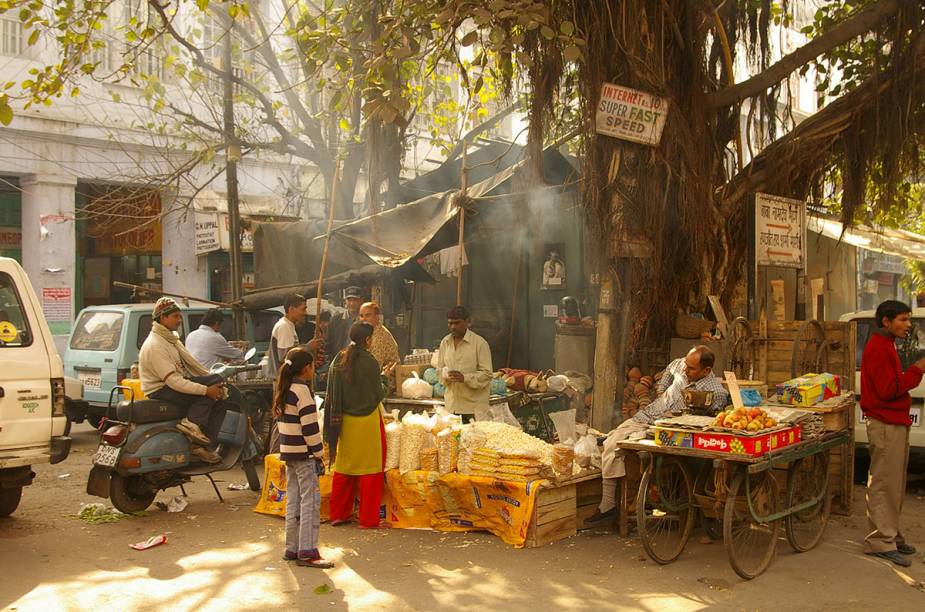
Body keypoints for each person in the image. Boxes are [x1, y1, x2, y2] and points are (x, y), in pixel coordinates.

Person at [587, 345, 728, 523]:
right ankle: (611, 503)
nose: (685, 369)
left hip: (667, 430)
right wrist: (661, 392)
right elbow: (670, 370)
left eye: (691, 368)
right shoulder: (680, 366)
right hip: (646, 416)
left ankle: (610, 504)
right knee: (610, 442)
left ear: (706, 370)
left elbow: (711, 419)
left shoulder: (715, 392)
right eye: (686, 364)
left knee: (616, 443)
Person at [861, 300, 925, 567]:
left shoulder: (888, 345)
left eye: (908, 319)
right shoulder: (877, 347)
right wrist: (916, 370)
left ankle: (891, 535)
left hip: (894, 422)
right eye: (902, 320)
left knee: (895, 483)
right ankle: (880, 541)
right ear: (886, 322)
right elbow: (888, 389)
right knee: (884, 483)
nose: (907, 325)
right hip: (885, 424)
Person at [138, 297, 226, 464]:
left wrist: (212, 385)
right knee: (212, 393)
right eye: (176, 317)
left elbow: (188, 370)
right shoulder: (156, 344)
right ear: (162, 318)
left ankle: (199, 444)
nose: (179, 320)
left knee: (217, 383)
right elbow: (174, 382)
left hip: (171, 383)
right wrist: (206, 390)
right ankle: (192, 425)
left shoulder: (170, 339)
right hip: (161, 389)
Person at [324, 323, 389, 529]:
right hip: (368, 421)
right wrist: (385, 378)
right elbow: (378, 393)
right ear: (368, 340)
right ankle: (368, 520)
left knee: (345, 469)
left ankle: (339, 514)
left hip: (344, 422)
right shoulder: (370, 362)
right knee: (371, 471)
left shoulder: (338, 359)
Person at [273, 347, 334, 569]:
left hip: (289, 452)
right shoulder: (303, 392)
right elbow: (310, 429)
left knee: (294, 501)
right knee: (310, 502)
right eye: (313, 366)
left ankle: (292, 547)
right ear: (307, 368)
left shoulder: (285, 388)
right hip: (305, 455)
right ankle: (307, 551)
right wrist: (319, 453)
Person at [437, 306, 492, 422]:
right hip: (452, 408)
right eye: (450, 323)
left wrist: (465, 378)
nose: (453, 327)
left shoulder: (480, 344)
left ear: (467, 322)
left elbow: (487, 375)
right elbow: (439, 370)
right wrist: (445, 375)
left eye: (457, 323)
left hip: (474, 409)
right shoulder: (445, 343)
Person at [270, 294, 308, 373]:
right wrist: (308, 347)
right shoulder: (284, 326)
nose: (305, 313)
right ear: (291, 309)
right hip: (285, 380)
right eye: (303, 309)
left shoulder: (289, 325)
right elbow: (285, 357)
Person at [358, 301, 400, 369]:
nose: (363, 319)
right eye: (361, 316)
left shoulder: (380, 337)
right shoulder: (366, 333)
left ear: (377, 316)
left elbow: (374, 366)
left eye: (368, 315)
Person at [327, 286, 364, 353]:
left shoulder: (364, 320)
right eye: (349, 300)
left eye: (355, 300)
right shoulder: (335, 320)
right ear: (345, 301)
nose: (352, 303)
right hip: (339, 359)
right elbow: (330, 344)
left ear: (361, 301)